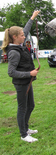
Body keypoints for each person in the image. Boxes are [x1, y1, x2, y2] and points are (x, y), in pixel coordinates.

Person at [1, 10, 40, 143]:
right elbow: (11, 72)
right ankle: (24, 135)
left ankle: (26, 128)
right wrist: (29, 73)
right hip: (21, 83)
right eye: (22, 35)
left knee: (31, 106)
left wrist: (32, 18)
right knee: (22, 107)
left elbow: (26, 30)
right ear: (15, 37)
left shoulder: (19, 44)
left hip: (27, 82)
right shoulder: (14, 52)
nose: (25, 36)